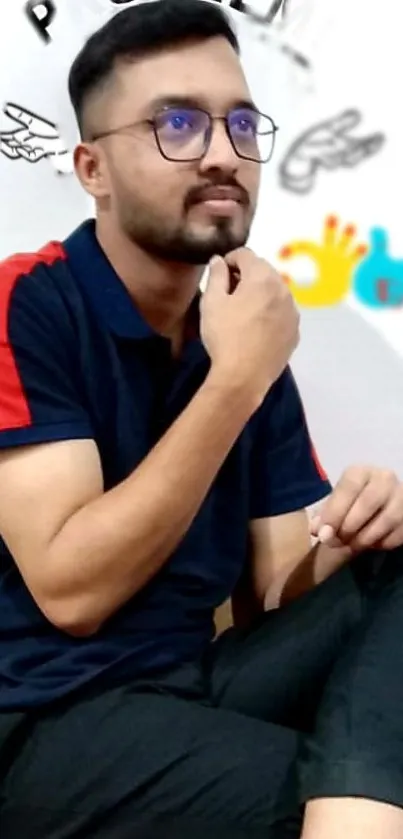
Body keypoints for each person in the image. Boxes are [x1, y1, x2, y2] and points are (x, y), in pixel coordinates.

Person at [0, 2, 403, 837]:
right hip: (45, 717)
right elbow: (70, 590)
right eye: (175, 123)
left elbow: (268, 594)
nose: (223, 154)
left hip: (197, 678)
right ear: (91, 168)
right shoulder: (26, 303)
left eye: (242, 122)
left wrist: (357, 537)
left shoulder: (240, 332)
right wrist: (235, 382)